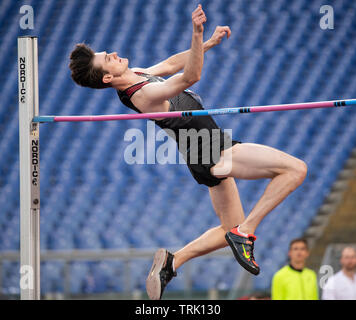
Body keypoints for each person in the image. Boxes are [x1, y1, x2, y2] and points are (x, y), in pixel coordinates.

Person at [68, 4, 308, 300]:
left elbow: (171, 65)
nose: (114, 53)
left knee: (227, 229)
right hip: (213, 149)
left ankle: (173, 261)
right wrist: (196, 33)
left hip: (201, 153)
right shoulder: (143, 95)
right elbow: (189, 77)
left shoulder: (136, 74)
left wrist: (206, 44)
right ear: (107, 77)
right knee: (295, 170)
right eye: (108, 58)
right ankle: (247, 231)